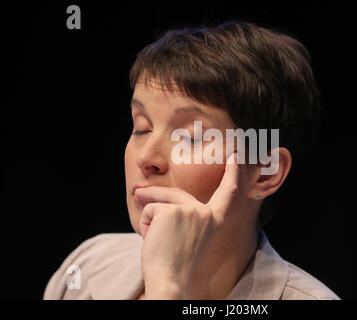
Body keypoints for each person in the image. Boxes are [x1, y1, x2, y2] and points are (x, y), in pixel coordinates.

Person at [43, 20, 340, 300]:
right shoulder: (90, 264)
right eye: (142, 127)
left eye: (190, 137)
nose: (147, 158)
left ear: (265, 171)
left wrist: (166, 280)